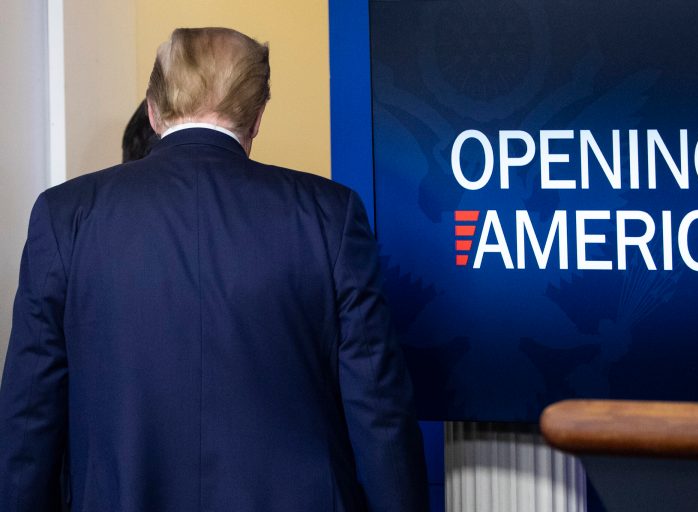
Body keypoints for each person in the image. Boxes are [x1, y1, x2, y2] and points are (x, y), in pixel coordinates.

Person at [0, 27, 428, 512]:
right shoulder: (332, 215)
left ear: (153, 111)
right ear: (257, 118)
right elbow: (379, 412)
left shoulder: (64, 216)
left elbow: (30, 416)